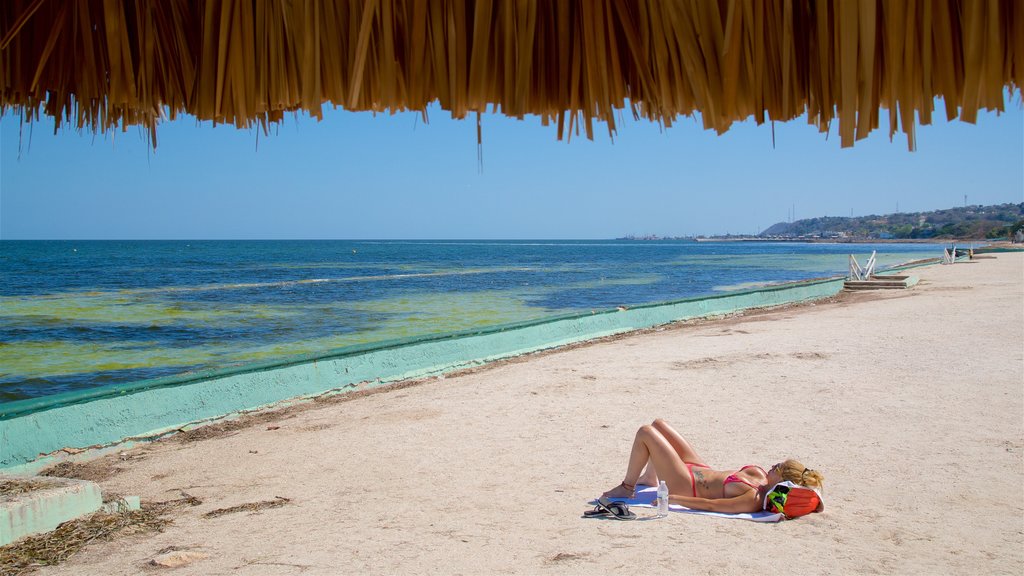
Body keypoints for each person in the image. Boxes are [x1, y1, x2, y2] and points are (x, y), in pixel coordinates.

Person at [602, 419, 823, 513]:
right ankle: (651, 477)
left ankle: (627, 487)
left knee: (646, 433)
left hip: (687, 485)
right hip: (698, 468)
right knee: (658, 424)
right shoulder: (761, 476)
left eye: (780, 467)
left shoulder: (753, 499)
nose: (775, 465)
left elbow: (713, 506)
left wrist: (677, 499)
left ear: (783, 481)